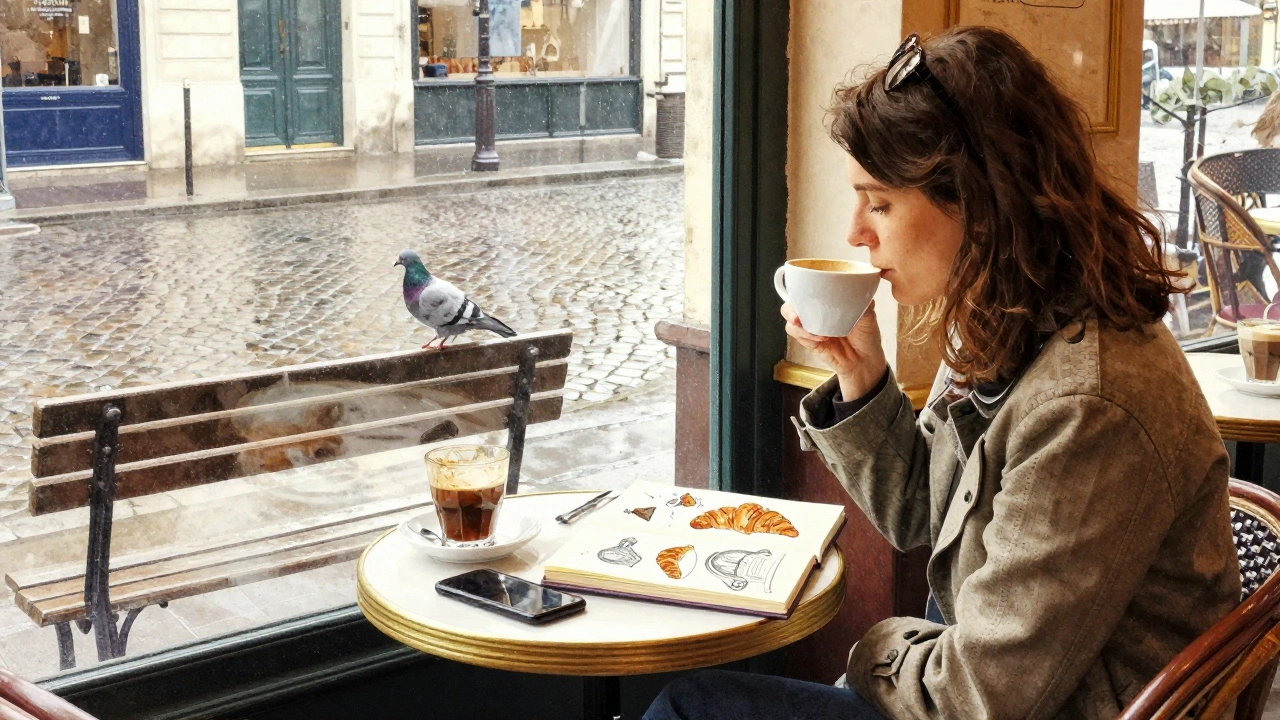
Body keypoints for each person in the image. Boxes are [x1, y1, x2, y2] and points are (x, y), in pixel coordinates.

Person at [643, 26, 1240, 720]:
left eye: (880, 203)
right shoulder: (1007, 319)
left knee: (691, 707)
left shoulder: (1089, 404)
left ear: (980, 203)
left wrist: (873, 651)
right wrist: (862, 377)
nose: (855, 233)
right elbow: (921, 512)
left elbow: (980, 697)